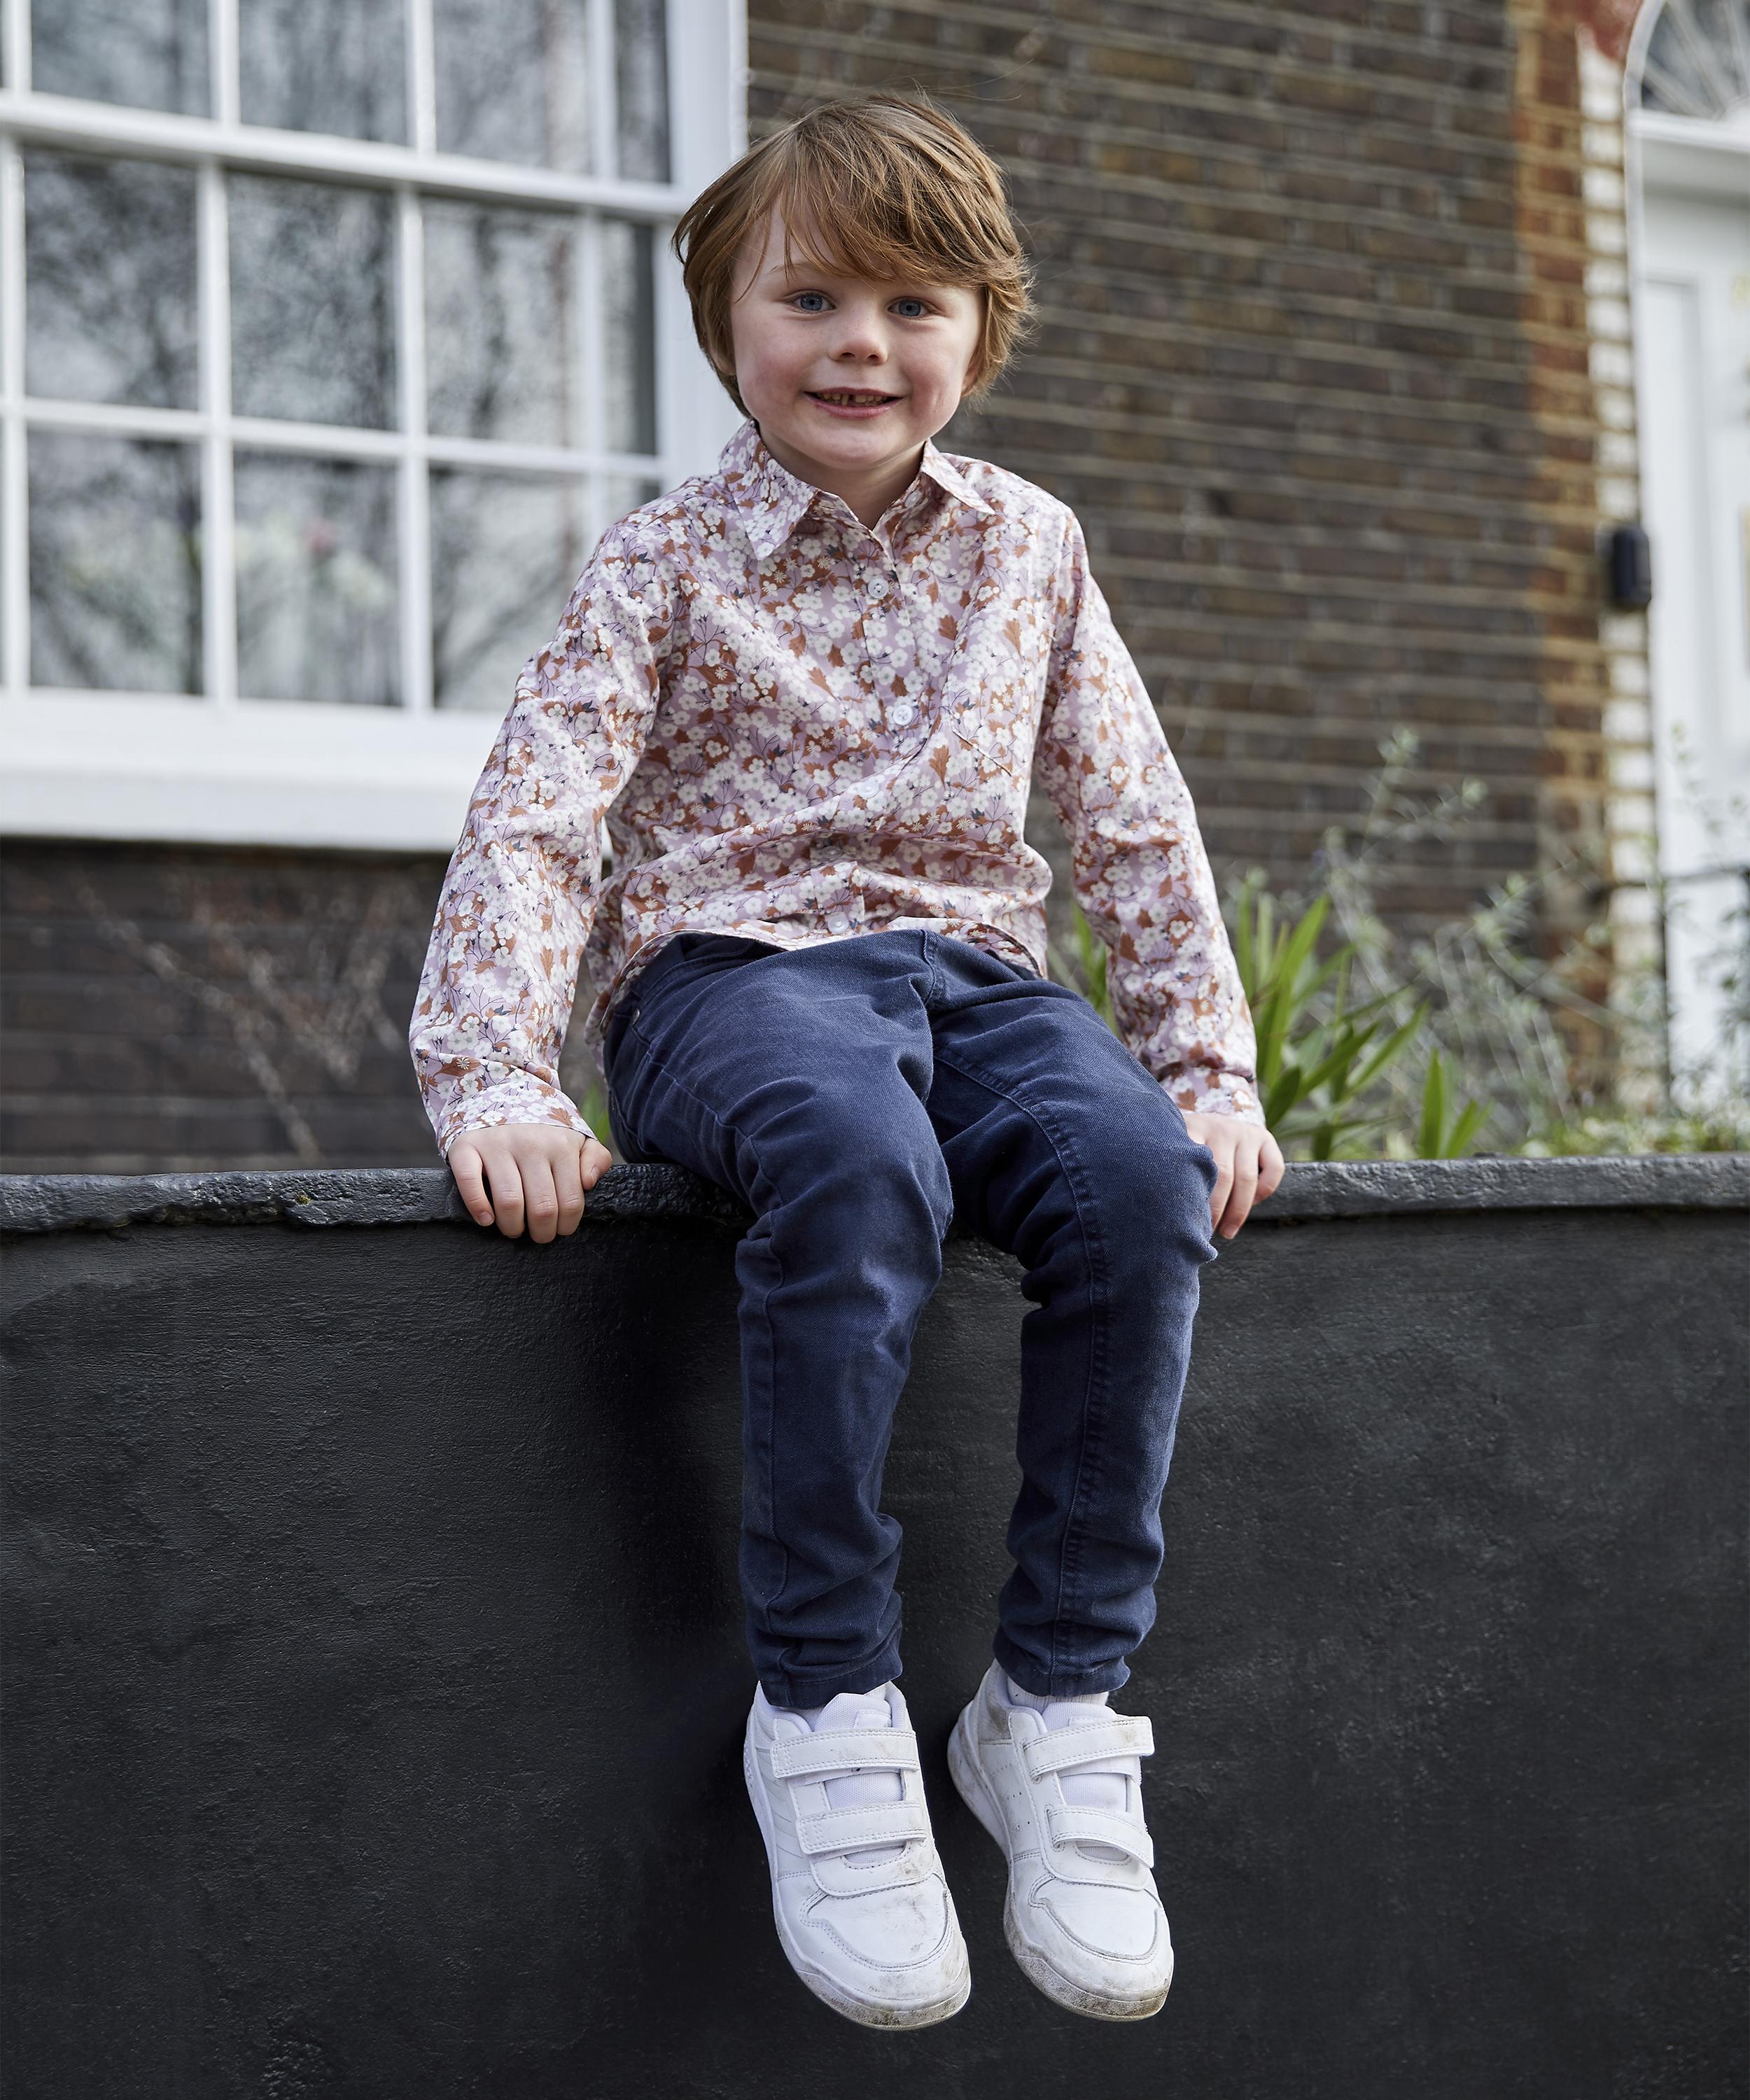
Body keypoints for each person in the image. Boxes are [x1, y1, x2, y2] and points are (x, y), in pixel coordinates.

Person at [409, 94, 1284, 2030]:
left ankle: (1053, 1702)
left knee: (1137, 1181)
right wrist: (500, 1077)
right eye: (809, 299)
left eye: (911, 304)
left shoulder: (1030, 548)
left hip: (975, 979)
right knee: (853, 1156)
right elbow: (541, 818)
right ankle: (825, 1709)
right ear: (729, 322)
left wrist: (1204, 1069)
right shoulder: (661, 562)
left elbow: (1130, 815)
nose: (859, 345)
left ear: (981, 330)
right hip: (731, 980)